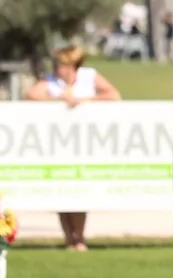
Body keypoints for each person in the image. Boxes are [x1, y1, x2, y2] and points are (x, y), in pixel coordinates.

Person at [24, 45, 122, 251]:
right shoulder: (52, 81)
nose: (58, 67)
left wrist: (84, 100)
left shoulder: (89, 76)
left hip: (84, 144)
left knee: (80, 192)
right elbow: (32, 95)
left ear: (72, 65)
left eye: (61, 64)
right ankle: (70, 238)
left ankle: (80, 237)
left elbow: (114, 95)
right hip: (58, 145)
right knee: (62, 192)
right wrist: (59, 98)